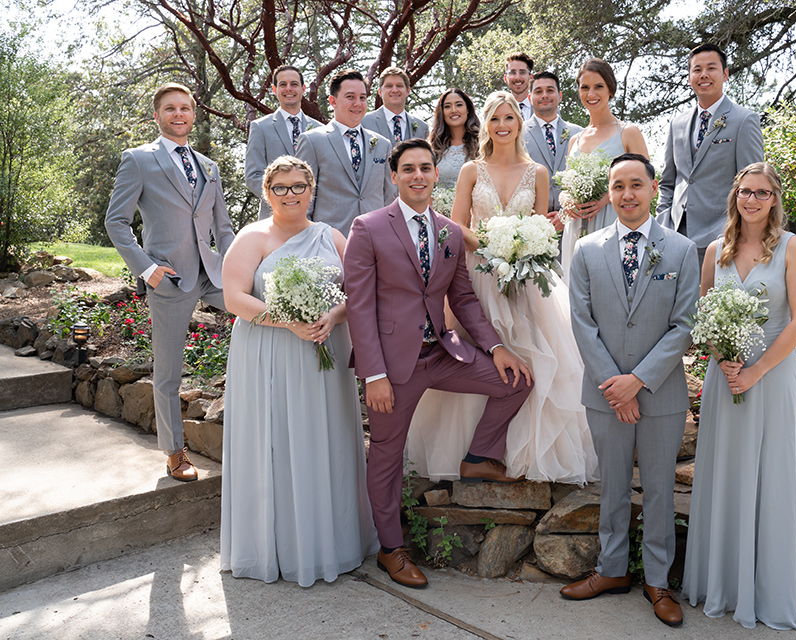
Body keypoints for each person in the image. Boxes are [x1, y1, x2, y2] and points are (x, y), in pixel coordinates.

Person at [342, 138, 534, 588]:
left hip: (443, 354)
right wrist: (374, 374)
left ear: (435, 174)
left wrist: (494, 347)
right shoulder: (368, 227)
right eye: (407, 169)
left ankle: (479, 456)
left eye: (425, 168)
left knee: (517, 381)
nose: (418, 176)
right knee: (386, 459)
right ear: (394, 176)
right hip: (391, 368)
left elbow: (462, 298)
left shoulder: (449, 231)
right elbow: (359, 307)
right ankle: (391, 549)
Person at [405, 92, 599, 485]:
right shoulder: (472, 170)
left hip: (526, 278)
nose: (502, 125)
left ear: (519, 122)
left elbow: (543, 228)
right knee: (478, 356)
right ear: (487, 125)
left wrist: (528, 241)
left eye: (509, 117)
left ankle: (522, 456)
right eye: (495, 119)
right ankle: (467, 453)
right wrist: (493, 245)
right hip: (478, 273)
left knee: (535, 358)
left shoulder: (539, 172)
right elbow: (456, 225)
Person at [219, 156, 378, 587]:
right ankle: (275, 547)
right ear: (267, 192)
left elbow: (358, 292)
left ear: (312, 190)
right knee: (272, 439)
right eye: (280, 188)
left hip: (324, 352)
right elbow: (233, 297)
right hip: (268, 352)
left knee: (324, 437)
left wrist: (334, 315)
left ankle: (332, 543)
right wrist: (285, 320)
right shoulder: (252, 238)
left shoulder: (333, 237)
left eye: (298, 187)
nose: (290, 195)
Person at [563, 153, 698, 629]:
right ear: (609, 190)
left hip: (660, 395)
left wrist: (636, 382)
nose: (626, 194)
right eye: (617, 186)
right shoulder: (588, 250)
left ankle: (658, 581)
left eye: (636, 184)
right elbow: (581, 322)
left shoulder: (681, 251)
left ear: (653, 186)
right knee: (613, 487)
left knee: (660, 490)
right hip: (603, 393)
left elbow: (684, 325)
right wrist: (614, 388)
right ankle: (612, 569)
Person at [682, 162, 796, 630]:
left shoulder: (792, 248)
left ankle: (769, 594)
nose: (752, 200)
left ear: (774, 198)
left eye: (762, 193)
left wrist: (755, 370)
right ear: (734, 196)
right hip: (727, 379)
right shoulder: (716, 251)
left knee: (772, 480)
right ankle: (724, 584)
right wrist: (724, 360)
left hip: (774, 379)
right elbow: (703, 312)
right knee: (727, 475)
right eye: (745, 192)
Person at [105, 82, 235, 482]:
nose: (179, 114)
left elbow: (224, 228)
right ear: (157, 116)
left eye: (185, 108)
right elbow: (117, 222)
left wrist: (238, 269)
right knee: (169, 373)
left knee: (265, 315)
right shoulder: (139, 160)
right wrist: (148, 269)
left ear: (194, 115)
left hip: (212, 275)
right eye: (170, 109)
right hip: (169, 280)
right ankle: (175, 452)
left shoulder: (208, 165)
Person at [656, 43, 764, 268]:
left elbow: (754, 186)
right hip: (675, 236)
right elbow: (668, 182)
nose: (703, 74)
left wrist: (738, 234)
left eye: (711, 68)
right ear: (689, 77)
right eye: (697, 69)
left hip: (722, 237)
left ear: (725, 74)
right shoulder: (677, 123)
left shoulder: (744, 120)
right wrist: (663, 222)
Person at [561, 58, 649, 278]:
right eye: (585, 87)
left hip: (614, 220)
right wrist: (566, 199)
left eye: (598, 86)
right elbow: (566, 185)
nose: (591, 94)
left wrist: (608, 197)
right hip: (576, 226)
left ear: (610, 88)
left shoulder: (628, 132)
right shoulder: (575, 140)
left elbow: (645, 182)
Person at [296, 69, 393, 236]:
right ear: (333, 101)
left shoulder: (382, 144)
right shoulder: (312, 141)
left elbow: (389, 197)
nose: (358, 103)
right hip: (329, 242)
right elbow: (304, 200)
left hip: (376, 240)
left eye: (362, 97)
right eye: (350, 97)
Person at [244, 65, 322, 220]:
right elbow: (253, 176)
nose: (289, 89)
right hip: (274, 218)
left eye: (294, 84)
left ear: (303, 88)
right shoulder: (260, 127)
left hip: (315, 219)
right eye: (282, 84)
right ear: (274, 89)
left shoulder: (320, 129)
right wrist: (284, 198)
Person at [522, 71, 583, 232]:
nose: (544, 95)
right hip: (530, 226)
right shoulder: (517, 134)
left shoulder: (579, 133)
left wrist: (566, 215)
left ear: (560, 95)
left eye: (550, 90)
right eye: (538, 91)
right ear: (530, 98)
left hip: (573, 223)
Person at [362, 67, 429, 148]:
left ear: (408, 91)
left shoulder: (422, 127)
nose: (394, 90)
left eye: (399, 86)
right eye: (389, 86)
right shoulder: (364, 122)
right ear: (380, 92)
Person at [427, 88, 480, 190]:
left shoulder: (483, 143)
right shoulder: (432, 147)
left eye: (459, 105)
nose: (453, 110)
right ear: (442, 112)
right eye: (447, 106)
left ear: (468, 109)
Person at [504, 52, 534, 119]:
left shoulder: (543, 108)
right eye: (512, 73)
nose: (517, 77)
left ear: (531, 77)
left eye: (522, 72)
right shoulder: (499, 109)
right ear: (505, 78)